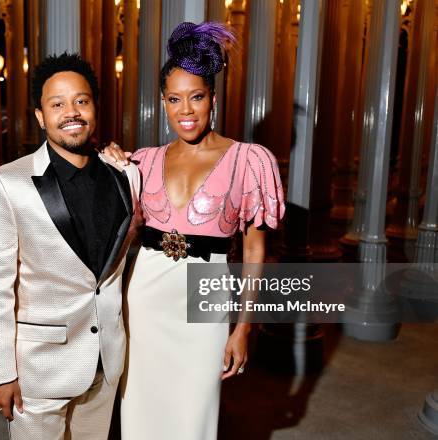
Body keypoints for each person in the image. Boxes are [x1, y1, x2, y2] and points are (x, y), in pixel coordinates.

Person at [103, 22, 286, 439]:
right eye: (174, 99)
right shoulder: (143, 162)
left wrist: (243, 328)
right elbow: (120, 235)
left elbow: (256, 253)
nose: (185, 110)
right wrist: (111, 169)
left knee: (194, 419)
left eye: (196, 97)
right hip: (145, 299)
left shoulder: (249, 161)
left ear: (213, 99)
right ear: (163, 103)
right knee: (141, 416)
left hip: (205, 299)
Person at [0, 52, 141, 440]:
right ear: (40, 116)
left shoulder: (125, 175)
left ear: (95, 108)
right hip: (39, 370)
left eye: (81, 101)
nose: (72, 112)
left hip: (106, 361)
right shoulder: (7, 182)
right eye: (58, 103)